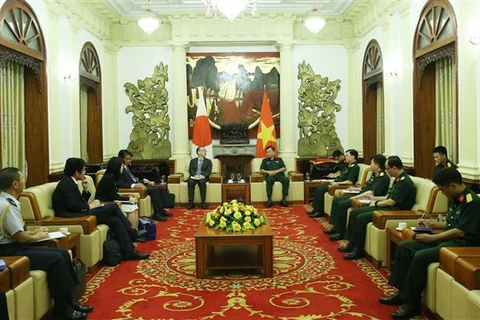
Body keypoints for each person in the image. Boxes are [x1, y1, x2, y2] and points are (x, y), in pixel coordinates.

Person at [379, 168, 480, 319]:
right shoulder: (456, 197)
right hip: (448, 239)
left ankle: (412, 305)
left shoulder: (472, 202)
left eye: (442, 189)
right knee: (404, 246)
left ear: (452, 185)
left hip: (461, 244)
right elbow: (450, 222)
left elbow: (460, 231)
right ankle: (401, 293)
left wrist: (433, 238)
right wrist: (430, 224)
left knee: (420, 256)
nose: (442, 193)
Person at [0, 167, 93, 320]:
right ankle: (62, 311)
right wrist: (37, 236)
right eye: (22, 178)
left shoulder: (8, 201)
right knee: (56, 258)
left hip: (14, 245)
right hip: (9, 251)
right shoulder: (7, 205)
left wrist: (33, 233)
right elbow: (21, 238)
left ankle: (70, 301)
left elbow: (13, 231)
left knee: (62, 253)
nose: (24, 181)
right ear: (15, 184)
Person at [52, 158, 149, 261]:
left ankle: (130, 251)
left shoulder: (70, 182)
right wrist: (90, 206)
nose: (85, 172)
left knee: (114, 220)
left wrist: (85, 191)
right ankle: (132, 233)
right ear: (77, 172)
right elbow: (73, 206)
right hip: (72, 216)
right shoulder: (66, 184)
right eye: (84, 169)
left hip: (78, 212)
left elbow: (77, 203)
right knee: (113, 206)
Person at [339, 155, 416, 260]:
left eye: (388, 169)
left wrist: (376, 203)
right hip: (388, 207)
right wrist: (375, 198)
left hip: (394, 211)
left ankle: (358, 249)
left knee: (361, 217)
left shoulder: (404, 181)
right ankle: (351, 245)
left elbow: (391, 202)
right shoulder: (398, 179)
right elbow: (388, 197)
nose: (387, 171)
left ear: (394, 168)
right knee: (355, 213)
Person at [324, 154, 390, 241]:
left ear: (377, 165)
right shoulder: (375, 174)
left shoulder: (383, 177)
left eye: (371, 163)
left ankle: (341, 232)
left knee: (342, 204)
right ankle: (335, 227)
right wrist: (355, 189)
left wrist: (355, 198)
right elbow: (365, 187)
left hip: (367, 199)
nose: (370, 165)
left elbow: (370, 192)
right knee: (337, 200)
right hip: (361, 195)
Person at [95, 157, 147, 242]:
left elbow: (115, 193)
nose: (123, 168)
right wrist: (128, 198)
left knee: (133, 204)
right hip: (106, 203)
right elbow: (113, 196)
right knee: (131, 206)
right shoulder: (108, 178)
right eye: (121, 166)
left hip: (112, 200)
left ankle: (134, 232)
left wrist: (128, 196)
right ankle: (132, 234)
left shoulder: (113, 177)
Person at [117, 149, 172, 221]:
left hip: (138, 185)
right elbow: (121, 183)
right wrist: (134, 185)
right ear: (122, 159)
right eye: (127, 159)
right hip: (134, 189)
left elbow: (134, 179)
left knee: (159, 187)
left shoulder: (127, 167)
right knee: (154, 190)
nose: (130, 161)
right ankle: (157, 213)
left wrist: (145, 181)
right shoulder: (119, 169)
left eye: (130, 159)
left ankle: (161, 210)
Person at [308, 149, 360, 218]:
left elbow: (349, 182)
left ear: (353, 157)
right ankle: (316, 209)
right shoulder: (348, 166)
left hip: (340, 185)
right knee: (318, 187)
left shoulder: (355, 167)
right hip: (335, 182)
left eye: (347, 155)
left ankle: (319, 212)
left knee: (320, 190)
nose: (345, 157)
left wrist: (338, 183)